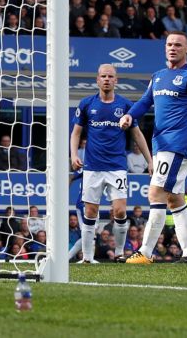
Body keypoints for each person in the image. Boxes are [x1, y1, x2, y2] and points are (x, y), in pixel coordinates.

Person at [122, 31, 187, 264]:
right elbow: (145, 101)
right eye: (169, 44)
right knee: (175, 200)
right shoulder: (158, 76)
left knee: (155, 193)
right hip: (160, 144)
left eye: (178, 44)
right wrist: (129, 115)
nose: (172, 48)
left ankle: (145, 252)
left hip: (177, 145)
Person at [70, 63, 152, 263]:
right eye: (103, 76)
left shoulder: (124, 105)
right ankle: (88, 258)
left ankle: (119, 253)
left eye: (110, 76)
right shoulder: (87, 104)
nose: (106, 79)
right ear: (97, 80)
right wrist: (73, 155)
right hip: (92, 167)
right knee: (90, 212)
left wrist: (150, 161)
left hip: (116, 167)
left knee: (120, 211)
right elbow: (76, 133)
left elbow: (137, 135)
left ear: (116, 81)